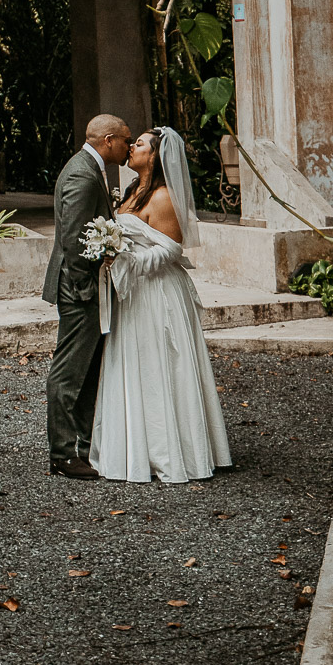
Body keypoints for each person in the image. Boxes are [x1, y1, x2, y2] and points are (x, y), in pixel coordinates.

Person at [90, 126, 231, 484]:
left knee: (160, 366)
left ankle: (170, 452)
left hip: (157, 293)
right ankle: (132, 450)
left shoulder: (165, 197)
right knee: (134, 363)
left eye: (139, 144)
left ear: (155, 155)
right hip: (133, 292)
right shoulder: (131, 192)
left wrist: (126, 259)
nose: (132, 147)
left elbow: (170, 250)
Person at [43, 113, 132, 478]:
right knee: (68, 371)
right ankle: (62, 454)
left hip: (86, 287)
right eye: (126, 140)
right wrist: (83, 287)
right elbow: (76, 239)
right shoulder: (82, 173)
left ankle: (84, 446)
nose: (128, 147)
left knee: (87, 369)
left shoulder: (89, 167)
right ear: (109, 140)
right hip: (79, 288)